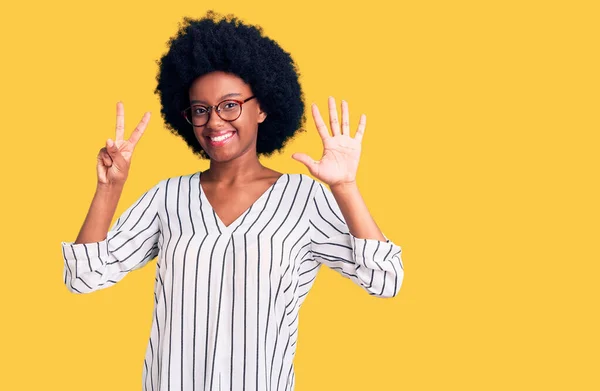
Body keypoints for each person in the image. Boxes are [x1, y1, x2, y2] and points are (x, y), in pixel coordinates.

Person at [60, 10, 404, 391]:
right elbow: (84, 276)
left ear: (262, 107)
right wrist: (109, 189)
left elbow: (384, 280)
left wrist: (345, 187)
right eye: (201, 110)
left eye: (230, 104)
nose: (214, 122)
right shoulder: (168, 198)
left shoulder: (304, 200)